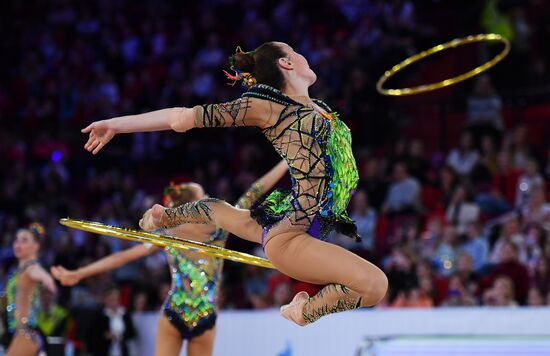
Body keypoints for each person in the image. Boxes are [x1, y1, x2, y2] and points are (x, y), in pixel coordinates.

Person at [80, 41, 388, 326]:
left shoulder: (317, 106)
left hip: (298, 218)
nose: (305, 55)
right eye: (296, 51)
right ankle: (303, 311)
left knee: (227, 213)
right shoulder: (266, 107)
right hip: (292, 236)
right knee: (375, 285)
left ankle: (166, 216)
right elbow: (181, 118)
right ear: (287, 63)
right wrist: (115, 125)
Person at [52, 160, 288, 356]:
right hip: (185, 312)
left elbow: (255, 190)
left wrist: (286, 163)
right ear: (193, 205)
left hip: (196, 314)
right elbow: (123, 257)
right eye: (204, 197)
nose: (209, 199)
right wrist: (79, 273)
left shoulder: (207, 229)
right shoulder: (187, 233)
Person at [4, 223, 57, 356]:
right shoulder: (18, 272)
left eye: (24, 240)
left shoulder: (31, 268)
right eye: (16, 240)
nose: (18, 244)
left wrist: (47, 279)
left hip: (25, 334)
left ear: (36, 246)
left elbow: (42, 275)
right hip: (20, 334)